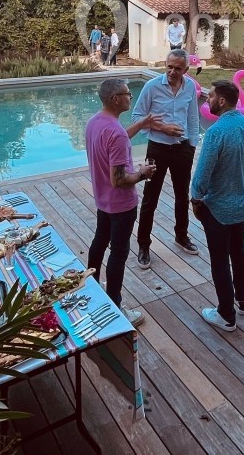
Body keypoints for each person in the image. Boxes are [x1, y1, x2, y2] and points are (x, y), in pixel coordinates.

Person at [191, 79, 244, 332]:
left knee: (220, 259)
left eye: (210, 96)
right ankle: (243, 299)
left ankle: (226, 314)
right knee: (238, 249)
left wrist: (195, 199)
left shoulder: (215, 132)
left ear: (221, 101)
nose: (207, 99)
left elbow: (202, 176)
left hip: (218, 209)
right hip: (243, 206)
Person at [85, 78, 160, 326]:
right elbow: (119, 180)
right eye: (128, 93)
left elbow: (116, 142)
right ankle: (115, 307)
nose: (131, 96)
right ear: (116, 98)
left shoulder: (96, 122)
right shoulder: (114, 132)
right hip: (121, 204)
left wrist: (140, 124)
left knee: (100, 240)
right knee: (118, 253)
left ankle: (91, 286)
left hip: (103, 200)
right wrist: (143, 173)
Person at [132, 50, 202, 266]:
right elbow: (137, 117)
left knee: (182, 196)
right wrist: (162, 128)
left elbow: (192, 116)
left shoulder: (189, 86)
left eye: (178, 68)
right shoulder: (151, 86)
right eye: (169, 66)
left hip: (182, 150)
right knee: (150, 198)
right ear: (165, 64)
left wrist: (191, 146)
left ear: (186, 70)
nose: (172, 71)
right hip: (157, 150)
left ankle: (181, 236)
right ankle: (144, 245)